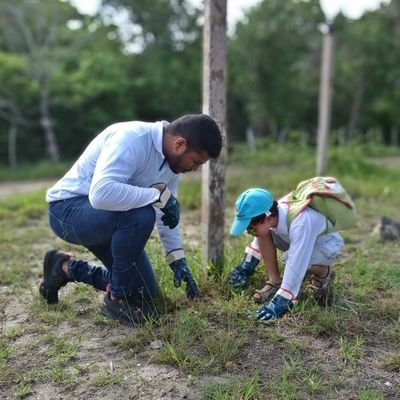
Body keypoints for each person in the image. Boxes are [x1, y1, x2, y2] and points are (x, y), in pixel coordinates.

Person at [39, 114, 222, 327]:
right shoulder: (132, 139)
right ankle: (117, 299)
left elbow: (167, 212)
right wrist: (156, 196)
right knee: (142, 214)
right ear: (180, 144)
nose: (195, 169)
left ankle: (64, 268)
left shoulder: (171, 164)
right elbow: (101, 194)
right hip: (68, 211)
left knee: (144, 292)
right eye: (197, 162)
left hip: (111, 219)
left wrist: (177, 258)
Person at [228, 187, 344, 321]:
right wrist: (246, 266)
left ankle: (324, 272)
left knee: (288, 259)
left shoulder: (300, 222)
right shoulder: (272, 213)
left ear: (268, 218)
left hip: (326, 245)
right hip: (297, 239)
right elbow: (260, 233)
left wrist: (282, 299)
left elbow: (296, 264)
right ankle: (275, 281)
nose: (248, 232)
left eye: (250, 228)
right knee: (263, 232)